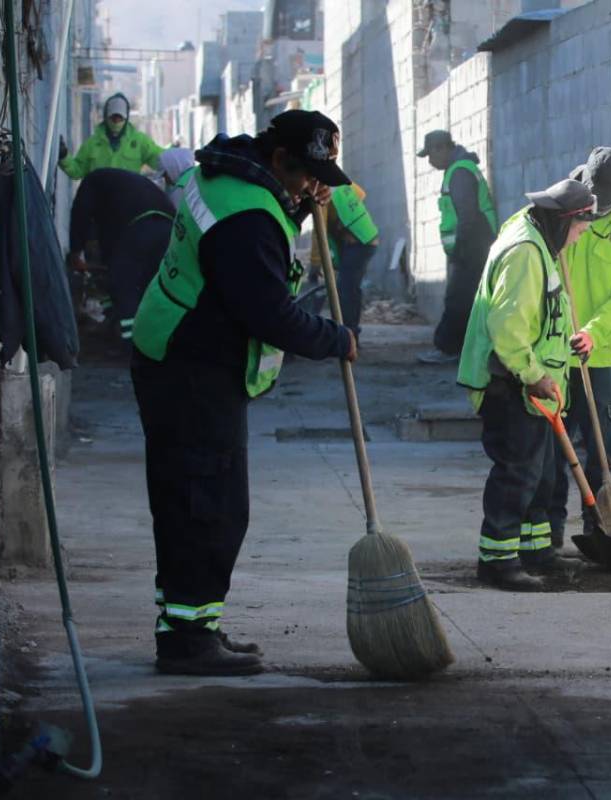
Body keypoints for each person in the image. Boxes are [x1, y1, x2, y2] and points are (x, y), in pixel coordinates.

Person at [130, 110, 358, 676]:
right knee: (207, 507)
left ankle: (193, 626)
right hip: (191, 368)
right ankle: (186, 642)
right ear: (278, 160)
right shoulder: (249, 222)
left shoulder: (222, 173)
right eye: (306, 175)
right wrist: (336, 338)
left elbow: (255, 252)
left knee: (197, 503)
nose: (312, 187)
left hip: (177, 350)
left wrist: (300, 206)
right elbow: (270, 314)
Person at [457, 179, 598, 591]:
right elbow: (508, 328)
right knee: (517, 473)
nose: (579, 239)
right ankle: (497, 561)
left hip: (534, 386)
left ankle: (536, 551)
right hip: (510, 384)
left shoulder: (540, 241)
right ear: (565, 220)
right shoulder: (525, 252)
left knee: (541, 476)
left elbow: (545, 316)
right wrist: (534, 374)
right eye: (579, 230)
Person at [546, 147, 611, 550]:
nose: (600, 208)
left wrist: (593, 333)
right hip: (556, 352)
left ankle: (601, 529)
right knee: (555, 450)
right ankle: (548, 532)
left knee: (604, 452)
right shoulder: (562, 215)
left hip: (604, 354)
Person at [67, 168, 176, 343]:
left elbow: (80, 216)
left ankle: (132, 344)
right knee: (150, 284)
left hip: (142, 227)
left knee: (123, 285)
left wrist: (75, 251)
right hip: (168, 226)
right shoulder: (126, 187)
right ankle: (154, 337)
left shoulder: (91, 184)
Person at [416, 130, 497, 365]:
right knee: (470, 299)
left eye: (430, 154)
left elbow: (467, 215)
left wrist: (460, 249)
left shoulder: (459, 172)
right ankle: (465, 349)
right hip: (476, 243)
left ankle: (447, 348)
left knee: (457, 298)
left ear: (442, 148)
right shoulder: (460, 169)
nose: (430, 161)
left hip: (473, 245)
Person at [308, 180, 380, 336]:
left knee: (345, 290)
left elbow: (318, 232)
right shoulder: (337, 182)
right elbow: (360, 193)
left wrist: (314, 264)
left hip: (358, 243)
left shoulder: (321, 194)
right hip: (367, 238)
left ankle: (349, 335)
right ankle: (350, 333)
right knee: (350, 288)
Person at [59, 93, 164, 180]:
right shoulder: (92, 144)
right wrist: (64, 157)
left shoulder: (140, 143)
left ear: (126, 118)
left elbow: (162, 160)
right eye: (113, 118)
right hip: (99, 203)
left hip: (127, 202)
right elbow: (77, 171)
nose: (116, 123)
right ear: (106, 117)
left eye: (120, 119)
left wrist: (178, 160)